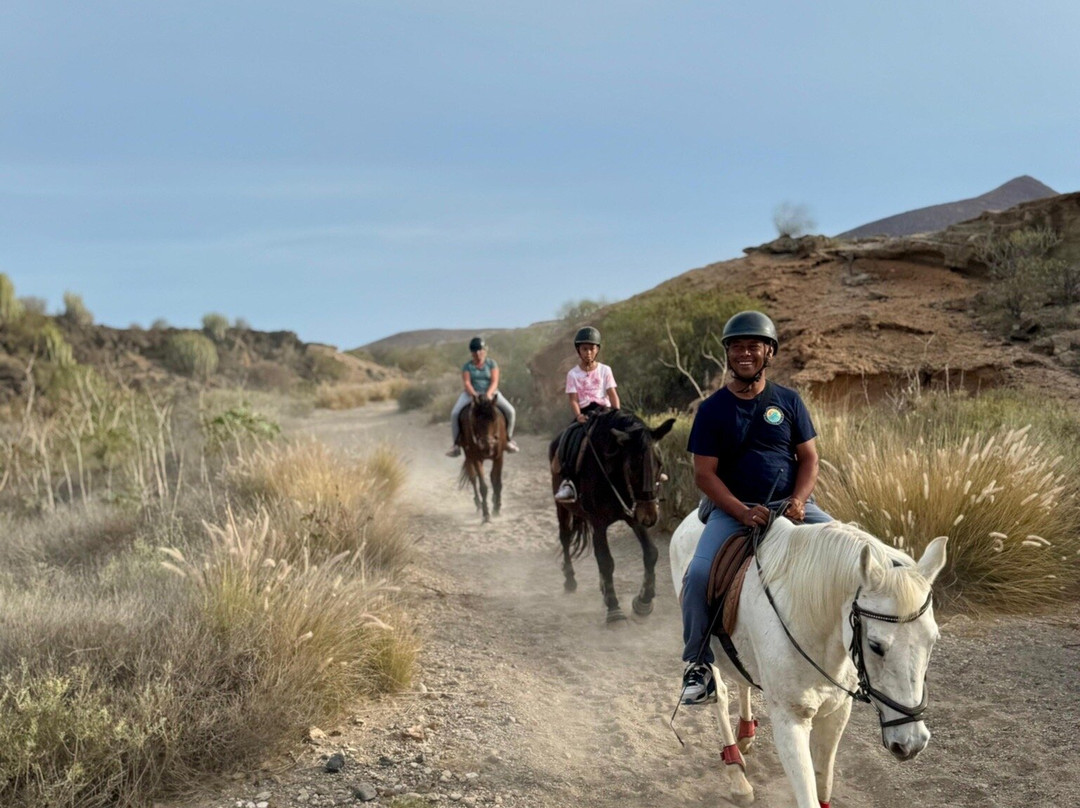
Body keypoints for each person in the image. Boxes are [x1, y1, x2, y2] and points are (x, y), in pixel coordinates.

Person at [679, 310, 833, 705]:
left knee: (845, 543)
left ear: (769, 352)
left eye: (753, 346)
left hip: (790, 505)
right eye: (736, 347)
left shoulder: (788, 401)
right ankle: (697, 666)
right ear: (727, 355)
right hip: (732, 511)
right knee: (697, 576)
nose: (744, 353)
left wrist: (799, 500)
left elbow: (809, 459)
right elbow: (704, 475)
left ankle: (850, 647)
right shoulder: (712, 410)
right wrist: (741, 511)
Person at [553, 326, 620, 503]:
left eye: (592, 348)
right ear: (578, 350)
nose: (588, 352)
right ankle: (568, 482)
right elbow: (573, 399)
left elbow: (612, 394)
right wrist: (579, 416)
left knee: (629, 433)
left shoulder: (605, 370)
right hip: (585, 413)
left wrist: (617, 413)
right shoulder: (573, 374)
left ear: (597, 349)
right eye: (584, 349)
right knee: (569, 437)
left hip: (605, 411)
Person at [446, 336, 519, 457]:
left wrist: (489, 394)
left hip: (491, 392)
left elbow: (494, 381)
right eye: (475, 351)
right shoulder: (467, 366)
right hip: (471, 394)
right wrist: (474, 394)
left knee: (511, 411)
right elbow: (467, 382)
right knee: (455, 413)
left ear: (485, 351)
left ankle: (508, 440)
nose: (478, 353)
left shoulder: (491, 364)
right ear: (472, 353)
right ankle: (456, 445)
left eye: (480, 350)